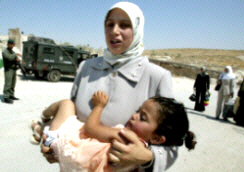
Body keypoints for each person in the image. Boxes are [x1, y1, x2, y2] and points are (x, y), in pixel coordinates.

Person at [39, 2, 177, 171]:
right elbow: (70, 119)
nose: (114, 30)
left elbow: (171, 145)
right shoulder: (86, 68)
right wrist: (50, 141)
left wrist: (148, 157)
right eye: (110, 24)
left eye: (125, 25)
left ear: (138, 29)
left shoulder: (157, 77)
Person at [33, 91, 196, 171]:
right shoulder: (138, 159)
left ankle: (44, 115)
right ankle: (42, 128)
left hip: (69, 148)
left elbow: (91, 129)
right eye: (138, 111)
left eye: (143, 117)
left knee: (67, 104)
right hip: (78, 167)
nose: (134, 116)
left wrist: (99, 106)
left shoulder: (126, 138)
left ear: (158, 138)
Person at [2, 39, 22, 104]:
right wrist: (16, 55)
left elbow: (15, 57)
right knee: (8, 83)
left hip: (13, 69)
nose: (12, 45)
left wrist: (17, 59)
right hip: (8, 69)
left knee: (13, 83)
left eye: (13, 44)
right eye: (10, 44)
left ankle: (11, 95)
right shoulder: (5, 51)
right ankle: (6, 97)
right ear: (8, 44)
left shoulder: (12, 51)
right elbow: (9, 57)